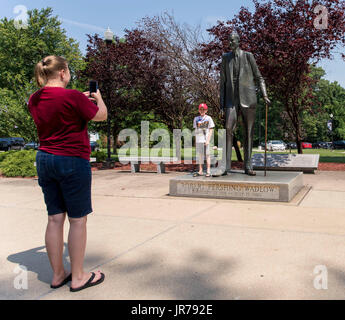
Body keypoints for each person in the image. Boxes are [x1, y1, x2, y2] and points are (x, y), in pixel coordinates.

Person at [28, 55, 107, 292]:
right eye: (69, 70)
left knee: (54, 218)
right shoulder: (72, 96)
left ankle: (58, 274)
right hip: (72, 160)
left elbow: (55, 113)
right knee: (77, 220)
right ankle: (79, 276)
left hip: (44, 159)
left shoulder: (34, 98)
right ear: (62, 72)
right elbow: (100, 115)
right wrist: (98, 99)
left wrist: (76, 101)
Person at [217, 31, 271, 176]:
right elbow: (222, 83)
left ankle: (248, 166)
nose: (230, 43)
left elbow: (259, 77)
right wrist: (221, 105)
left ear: (238, 41)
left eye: (233, 40)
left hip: (248, 99)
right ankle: (225, 166)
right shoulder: (225, 58)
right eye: (229, 40)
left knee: (248, 132)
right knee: (228, 129)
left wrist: (265, 95)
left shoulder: (248, 56)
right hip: (231, 100)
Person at [193, 103, 215, 177]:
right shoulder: (196, 119)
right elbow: (196, 131)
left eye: (204, 109)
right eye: (201, 109)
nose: (202, 110)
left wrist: (208, 140)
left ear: (206, 110)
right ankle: (200, 170)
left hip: (206, 140)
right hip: (199, 140)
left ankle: (208, 170)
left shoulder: (208, 118)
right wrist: (195, 141)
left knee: (207, 155)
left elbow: (211, 130)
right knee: (200, 156)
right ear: (199, 110)